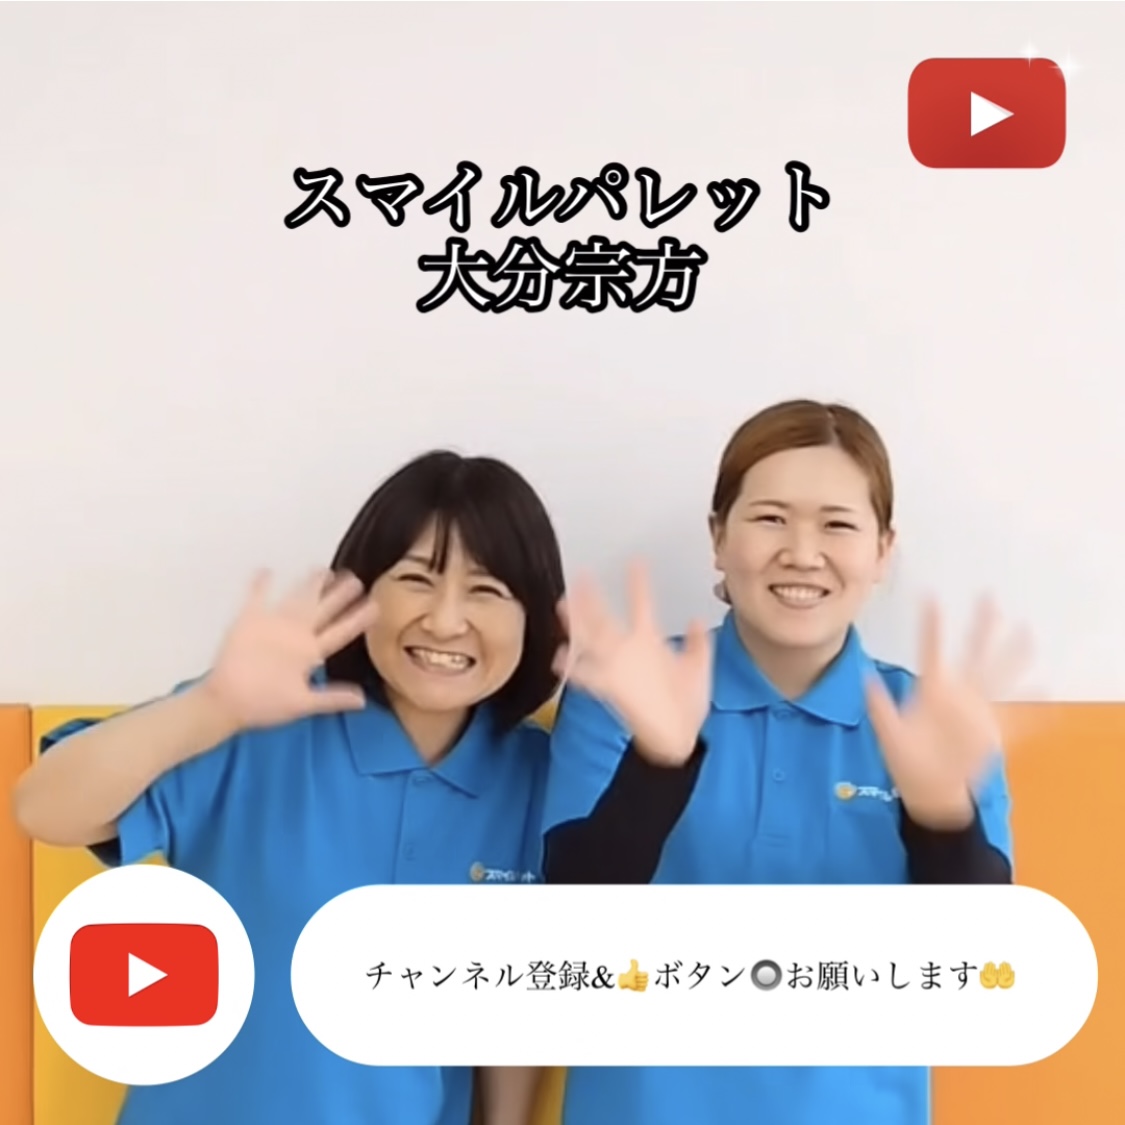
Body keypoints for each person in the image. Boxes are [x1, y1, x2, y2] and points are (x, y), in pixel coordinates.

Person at [13, 450, 565, 1125]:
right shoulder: (258, 718)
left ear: (535, 617)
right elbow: (43, 809)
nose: (446, 620)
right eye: (416, 578)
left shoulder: (540, 778)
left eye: (487, 590)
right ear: (360, 593)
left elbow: (512, 1006)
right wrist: (214, 705)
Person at [540, 399, 1032, 1125]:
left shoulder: (931, 719)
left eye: (837, 524)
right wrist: (658, 762)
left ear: (883, 549)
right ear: (718, 536)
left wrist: (938, 813)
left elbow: (978, 974)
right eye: (770, 518)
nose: (802, 553)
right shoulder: (626, 693)